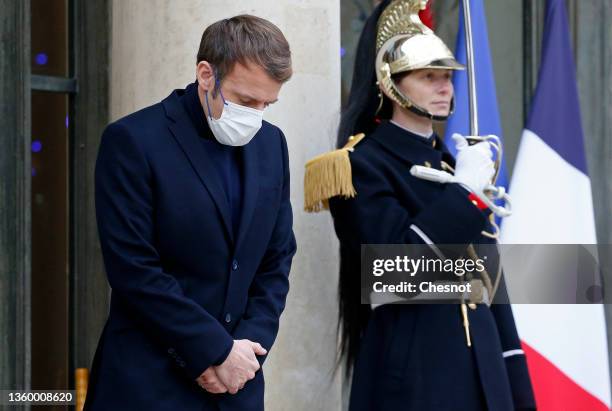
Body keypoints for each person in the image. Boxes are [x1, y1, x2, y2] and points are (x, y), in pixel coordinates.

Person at [304, 1, 535, 410]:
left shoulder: (453, 165)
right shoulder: (360, 166)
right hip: (416, 373)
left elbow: (490, 285)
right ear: (390, 82)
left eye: (447, 76)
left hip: (483, 370)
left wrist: (515, 383)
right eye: (430, 77)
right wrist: (465, 196)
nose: (445, 87)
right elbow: (395, 273)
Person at [85, 15, 296, 411]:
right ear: (205, 74)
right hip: (148, 384)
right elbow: (134, 270)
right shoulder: (133, 141)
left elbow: (276, 259)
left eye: (267, 104)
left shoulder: (273, 145)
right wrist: (211, 351)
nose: (256, 115)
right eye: (246, 100)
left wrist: (244, 355)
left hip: (238, 385)